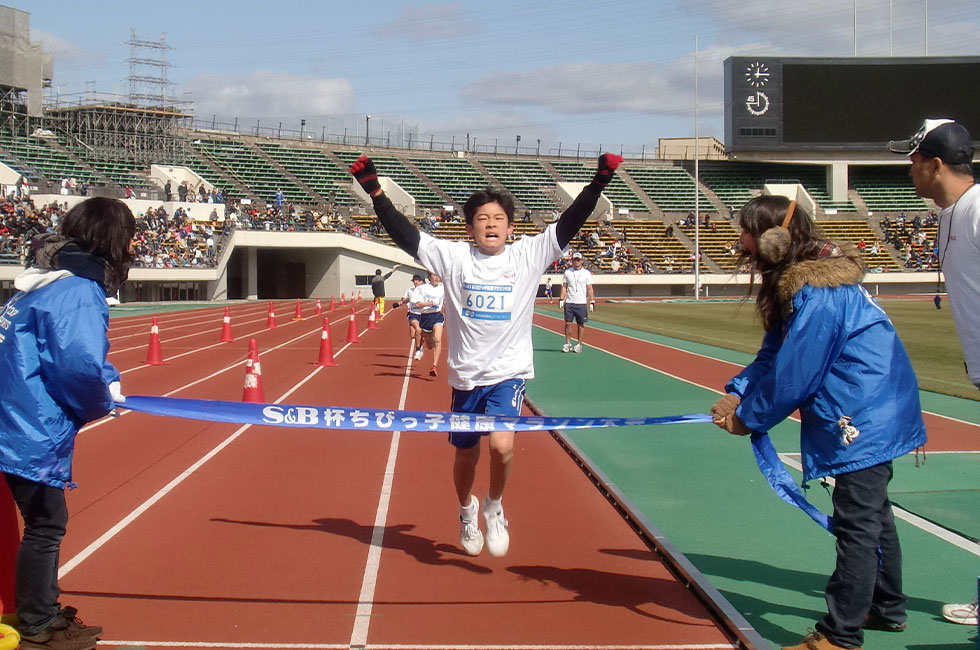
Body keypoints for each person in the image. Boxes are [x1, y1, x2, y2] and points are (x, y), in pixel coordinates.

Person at [349, 152, 622, 557]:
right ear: (470, 227)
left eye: (498, 218)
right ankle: (466, 509)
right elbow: (407, 236)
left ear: (510, 227)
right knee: (467, 454)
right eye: (482, 218)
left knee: (502, 446)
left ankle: (494, 505)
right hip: (465, 376)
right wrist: (376, 191)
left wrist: (599, 182)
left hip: (508, 372)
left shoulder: (526, 256)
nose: (490, 224)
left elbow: (569, 223)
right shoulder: (455, 257)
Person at [709, 195, 927, 650]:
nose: (740, 241)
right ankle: (885, 607)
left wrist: (748, 419)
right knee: (872, 514)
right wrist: (738, 392)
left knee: (857, 523)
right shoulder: (798, 284)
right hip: (868, 406)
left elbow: (796, 372)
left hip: (865, 412)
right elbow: (773, 355)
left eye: (746, 231)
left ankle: (839, 635)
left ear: (774, 238)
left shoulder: (820, 292)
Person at [0, 197, 134, 650]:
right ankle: (38, 622)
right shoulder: (78, 289)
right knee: (45, 524)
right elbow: (76, 365)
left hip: (15, 416)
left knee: (43, 522)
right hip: (28, 428)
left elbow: (63, 354)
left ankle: (43, 609)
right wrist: (103, 401)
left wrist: (106, 380)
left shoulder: (41, 282)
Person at [890, 118, 980, 627]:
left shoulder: (978, 210)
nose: (909, 170)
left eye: (913, 160)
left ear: (935, 163)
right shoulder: (950, 214)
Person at [559, 251, 595, 353]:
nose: (576, 262)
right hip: (570, 302)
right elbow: (564, 286)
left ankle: (579, 344)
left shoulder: (586, 273)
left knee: (580, 324)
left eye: (578, 260)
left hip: (581, 303)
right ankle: (568, 343)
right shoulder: (568, 272)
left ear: (582, 261)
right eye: (575, 260)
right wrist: (562, 299)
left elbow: (590, 288)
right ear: (572, 261)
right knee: (568, 323)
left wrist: (592, 301)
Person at [412, 271, 445, 377]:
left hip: (437, 316)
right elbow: (417, 304)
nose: (437, 277)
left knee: (438, 339)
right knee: (430, 345)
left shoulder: (443, 288)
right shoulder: (422, 288)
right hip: (426, 317)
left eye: (438, 275)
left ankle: (434, 365)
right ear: (429, 277)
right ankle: (420, 348)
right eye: (434, 275)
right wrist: (431, 303)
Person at [400, 274, 426, 361]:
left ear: (423, 281)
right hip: (413, 313)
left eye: (418, 280)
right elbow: (405, 298)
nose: (416, 282)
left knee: (420, 332)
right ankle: (419, 348)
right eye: (415, 280)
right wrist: (400, 302)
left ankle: (418, 349)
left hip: (423, 314)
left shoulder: (426, 290)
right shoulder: (410, 290)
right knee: (412, 335)